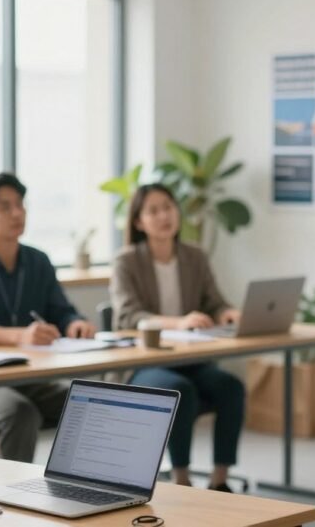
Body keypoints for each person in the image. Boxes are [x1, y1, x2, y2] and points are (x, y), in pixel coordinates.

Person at [0, 173, 96, 462]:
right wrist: (21, 335)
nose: (17, 213)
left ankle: (82, 488)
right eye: (5, 207)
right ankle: (11, 495)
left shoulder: (37, 261)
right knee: (19, 412)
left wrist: (75, 323)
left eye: (20, 205)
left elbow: (60, 310)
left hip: (30, 374)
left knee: (85, 402)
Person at [109, 183, 245, 492]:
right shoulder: (126, 261)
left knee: (231, 387)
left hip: (190, 359)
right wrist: (178, 322)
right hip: (144, 364)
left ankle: (219, 481)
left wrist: (228, 313)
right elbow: (128, 316)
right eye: (153, 211)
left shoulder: (194, 256)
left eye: (168, 207)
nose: (163, 216)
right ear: (138, 222)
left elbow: (215, 301)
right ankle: (181, 480)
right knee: (179, 390)